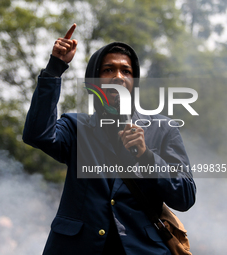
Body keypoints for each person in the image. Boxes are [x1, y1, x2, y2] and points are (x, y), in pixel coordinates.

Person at [23, 24, 196, 255]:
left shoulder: (163, 128)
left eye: (126, 71)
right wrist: (55, 69)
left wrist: (147, 157)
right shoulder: (76, 126)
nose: (118, 77)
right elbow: (37, 135)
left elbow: (185, 196)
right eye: (108, 70)